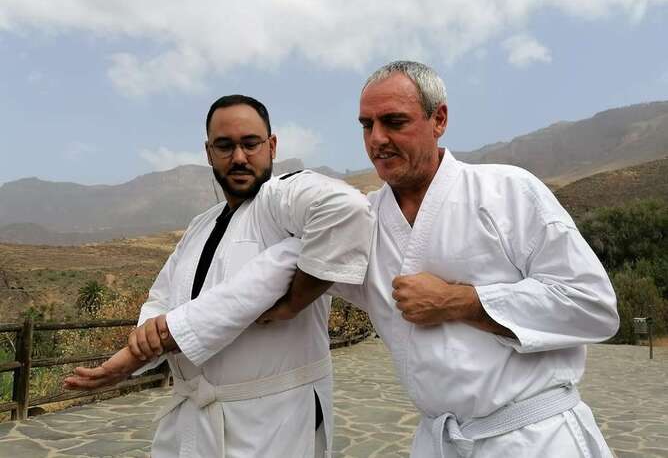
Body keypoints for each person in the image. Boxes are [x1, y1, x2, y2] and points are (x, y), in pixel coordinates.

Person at [80, 62, 620, 457]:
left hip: (535, 436)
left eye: (394, 121)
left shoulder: (507, 191)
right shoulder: (367, 221)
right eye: (366, 125)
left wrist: (463, 302)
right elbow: (282, 264)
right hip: (440, 439)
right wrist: (165, 334)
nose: (377, 139)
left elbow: (594, 307)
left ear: (439, 119)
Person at [64, 94, 374, 458]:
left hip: (272, 424)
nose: (239, 157)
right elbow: (162, 297)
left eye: (251, 143)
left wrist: (294, 301)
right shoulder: (201, 225)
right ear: (209, 153)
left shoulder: (279, 202)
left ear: (272, 146)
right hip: (191, 420)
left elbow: (346, 208)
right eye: (225, 146)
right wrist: (149, 338)